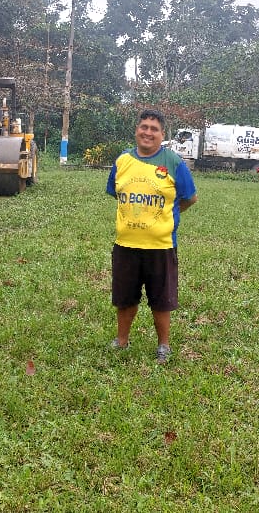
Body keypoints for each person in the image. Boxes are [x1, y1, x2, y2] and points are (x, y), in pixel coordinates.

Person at [106, 109, 198, 363]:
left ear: (162, 134)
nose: (148, 132)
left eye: (154, 129)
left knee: (162, 299)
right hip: (126, 244)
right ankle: (121, 340)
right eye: (144, 127)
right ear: (136, 130)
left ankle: (163, 346)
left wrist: (167, 216)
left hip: (161, 245)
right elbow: (116, 193)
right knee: (124, 297)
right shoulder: (122, 161)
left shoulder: (174, 163)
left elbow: (190, 198)